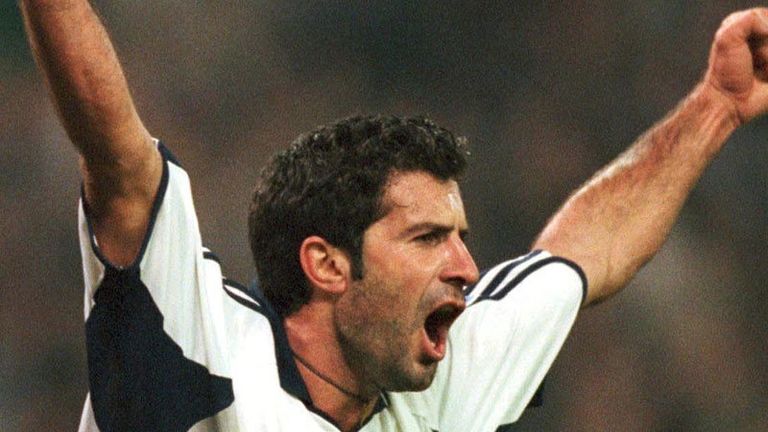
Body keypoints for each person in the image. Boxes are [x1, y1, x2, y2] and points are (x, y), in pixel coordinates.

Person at [20, 1, 768, 431]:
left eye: (461, 238)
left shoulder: (444, 376)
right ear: (327, 264)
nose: (466, 267)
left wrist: (718, 106)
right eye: (427, 238)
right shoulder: (200, 340)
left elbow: (585, 256)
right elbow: (119, 163)